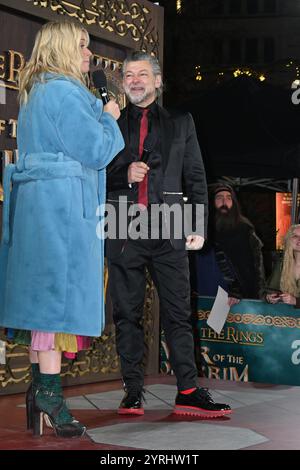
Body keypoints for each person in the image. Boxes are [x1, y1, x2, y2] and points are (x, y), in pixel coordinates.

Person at [0, 20, 124, 437]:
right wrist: (109, 116)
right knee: (56, 303)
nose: (90, 55)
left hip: (42, 210)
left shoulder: (38, 92)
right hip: (63, 213)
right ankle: (50, 395)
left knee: (43, 303)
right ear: (62, 49)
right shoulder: (67, 94)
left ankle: (40, 392)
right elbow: (97, 149)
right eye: (83, 46)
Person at [106, 51, 231, 418]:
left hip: (172, 222)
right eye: (129, 74)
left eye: (142, 73)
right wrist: (123, 175)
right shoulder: (109, 123)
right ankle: (131, 391)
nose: (135, 80)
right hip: (122, 221)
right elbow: (95, 171)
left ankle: (188, 390)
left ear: (158, 81)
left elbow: (195, 175)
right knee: (126, 313)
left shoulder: (182, 121)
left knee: (178, 311)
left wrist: (196, 225)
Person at [194, 183, 265, 304]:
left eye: (228, 197)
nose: (224, 201)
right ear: (212, 202)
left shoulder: (244, 229)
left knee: (226, 322)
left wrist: (239, 292)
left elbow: (254, 267)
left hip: (233, 297)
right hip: (203, 291)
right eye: (219, 197)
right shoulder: (201, 228)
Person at [265, 224, 300, 307]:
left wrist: (296, 301)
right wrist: (270, 297)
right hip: (285, 316)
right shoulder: (281, 264)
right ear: (289, 240)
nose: (299, 239)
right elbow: (270, 289)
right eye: (295, 236)